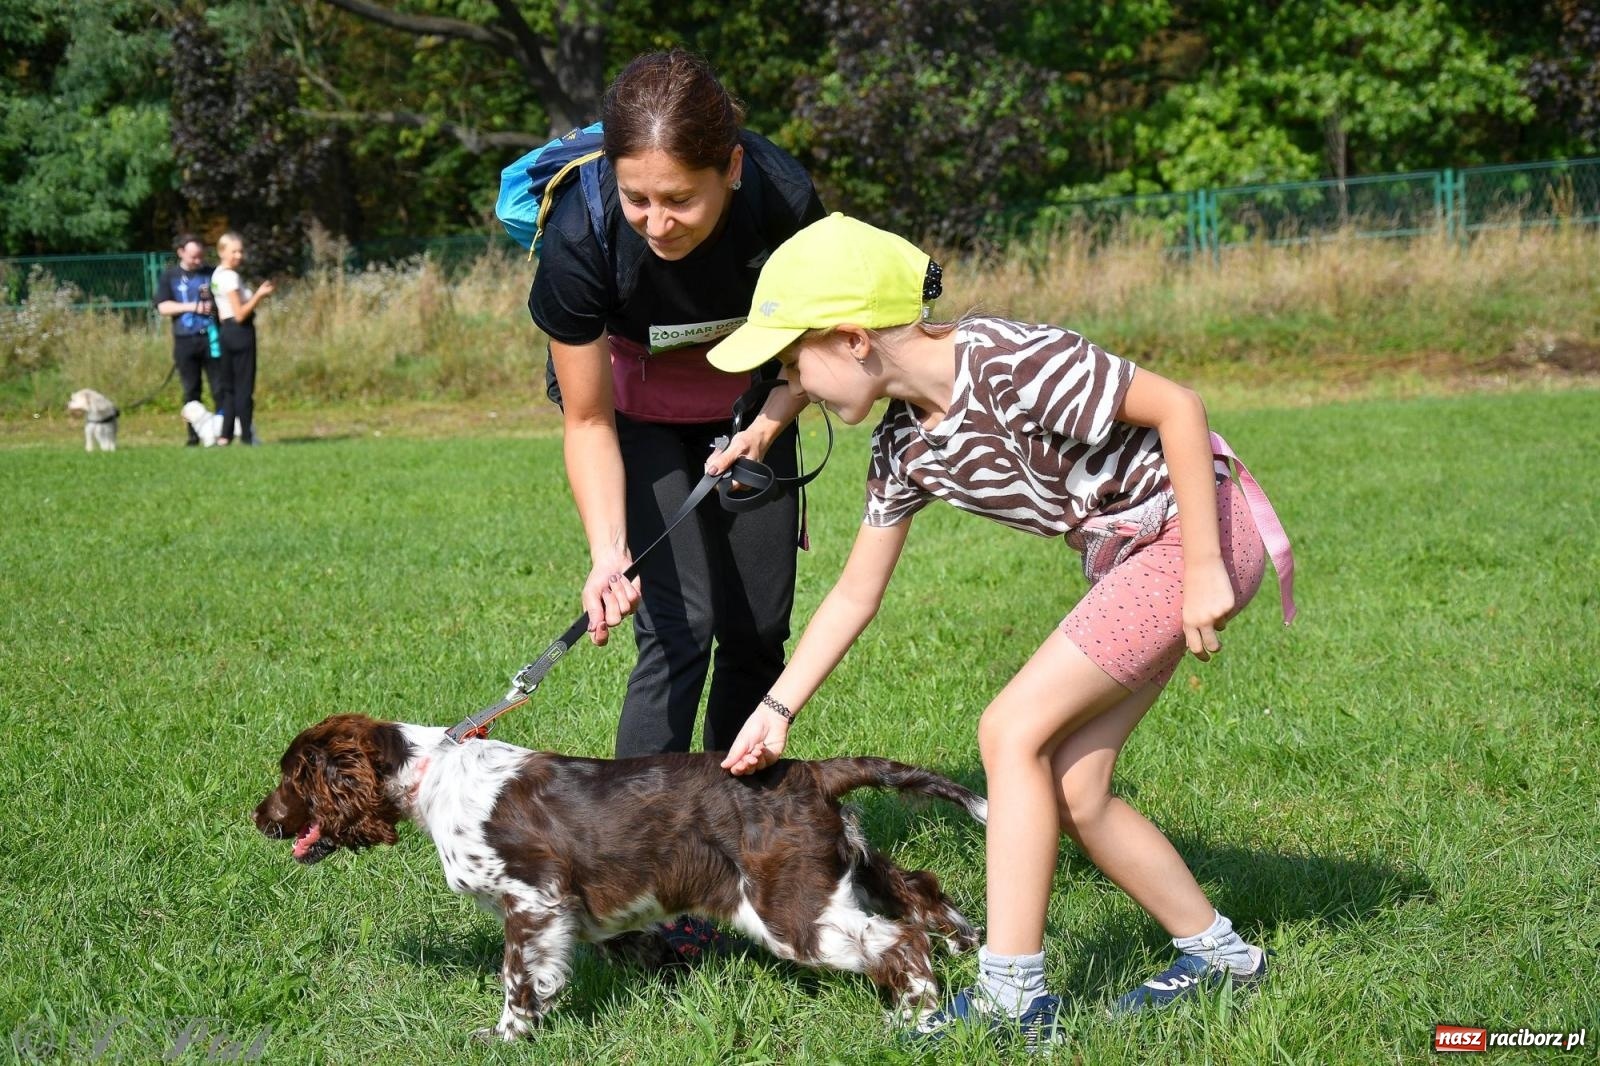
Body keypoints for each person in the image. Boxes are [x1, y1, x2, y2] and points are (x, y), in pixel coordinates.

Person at [706, 214, 1296, 1048]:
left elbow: (1178, 407)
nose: (788, 383)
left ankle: (1014, 996)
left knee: (1008, 731)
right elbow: (854, 593)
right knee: (1075, 790)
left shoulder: (1011, 360)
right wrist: (777, 708)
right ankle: (1223, 958)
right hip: (1133, 561)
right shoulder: (903, 447)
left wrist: (1202, 565)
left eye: (791, 361)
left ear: (852, 340)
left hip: (1188, 534)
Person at [526, 48, 825, 958]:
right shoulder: (580, 232)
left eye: (681, 200)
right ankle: (634, 882)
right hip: (636, 415)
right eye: (638, 197)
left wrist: (767, 427)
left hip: (751, 406)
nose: (657, 222)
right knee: (678, 628)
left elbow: (814, 349)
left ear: (730, 170)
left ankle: (740, 850)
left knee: (758, 631)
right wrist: (607, 551)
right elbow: (585, 419)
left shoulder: (781, 200)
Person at [153, 235, 222, 446]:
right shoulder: (170, 276)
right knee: (191, 389)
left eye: (201, 256)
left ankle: (223, 432)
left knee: (220, 387)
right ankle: (194, 435)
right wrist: (192, 307)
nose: (198, 260)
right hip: (185, 341)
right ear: (181, 252)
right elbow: (163, 307)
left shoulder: (213, 274)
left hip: (212, 339)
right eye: (193, 256)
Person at [210, 231, 275, 446]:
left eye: (240, 251)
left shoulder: (217, 275)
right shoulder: (230, 277)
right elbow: (239, 313)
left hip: (225, 333)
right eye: (233, 251)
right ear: (222, 252)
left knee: (228, 386)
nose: (239, 255)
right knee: (244, 386)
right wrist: (259, 295)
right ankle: (247, 436)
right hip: (240, 331)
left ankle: (225, 436)